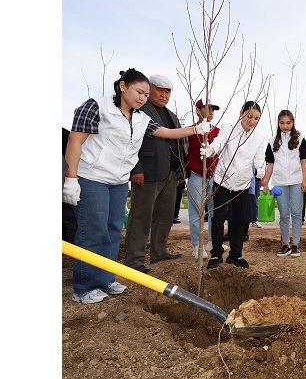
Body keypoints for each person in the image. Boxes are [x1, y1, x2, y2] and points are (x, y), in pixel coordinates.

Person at [62, 68, 211, 303]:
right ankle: (84, 287)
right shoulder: (96, 107)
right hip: (93, 178)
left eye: (145, 94)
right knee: (93, 232)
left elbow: (168, 132)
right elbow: (75, 141)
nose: (143, 98)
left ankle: (106, 280)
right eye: (139, 92)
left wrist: (196, 129)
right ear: (123, 86)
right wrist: (70, 178)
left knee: (112, 231)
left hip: (119, 181)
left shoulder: (141, 118)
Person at [123, 74, 186, 274]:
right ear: (150, 89)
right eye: (160, 90)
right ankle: (134, 260)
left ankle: (159, 251)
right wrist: (136, 169)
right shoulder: (140, 111)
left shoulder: (172, 116)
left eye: (168, 92)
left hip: (170, 174)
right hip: (147, 172)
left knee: (165, 216)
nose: (164, 95)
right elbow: (130, 142)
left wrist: (181, 169)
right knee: (141, 216)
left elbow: (177, 143)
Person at [201, 100, 266, 269]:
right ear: (241, 113)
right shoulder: (229, 127)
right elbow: (220, 142)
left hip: (243, 183)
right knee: (218, 217)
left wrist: (261, 168)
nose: (251, 121)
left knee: (238, 220)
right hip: (222, 179)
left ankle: (235, 255)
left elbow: (259, 158)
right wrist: (211, 149)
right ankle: (216, 254)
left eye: (256, 118)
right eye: (249, 116)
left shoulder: (259, 137)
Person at [261, 110, 306, 257]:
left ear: (293, 122)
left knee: (296, 213)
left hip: (296, 181)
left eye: (288, 123)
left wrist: (304, 179)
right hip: (279, 182)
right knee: (283, 214)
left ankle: (295, 244)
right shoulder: (271, 141)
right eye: (282, 123)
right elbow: (270, 164)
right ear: (278, 123)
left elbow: (303, 161)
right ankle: (285, 244)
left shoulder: (300, 139)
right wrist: (265, 182)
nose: (285, 126)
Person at [186, 99, 222, 260]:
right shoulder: (190, 131)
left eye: (213, 109)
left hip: (213, 176)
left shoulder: (218, 132)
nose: (211, 112)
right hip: (196, 175)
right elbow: (184, 152)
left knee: (214, 211)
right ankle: (197, 246)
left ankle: (213, 242)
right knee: (196, 213)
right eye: (207, 109)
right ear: (197, 110)